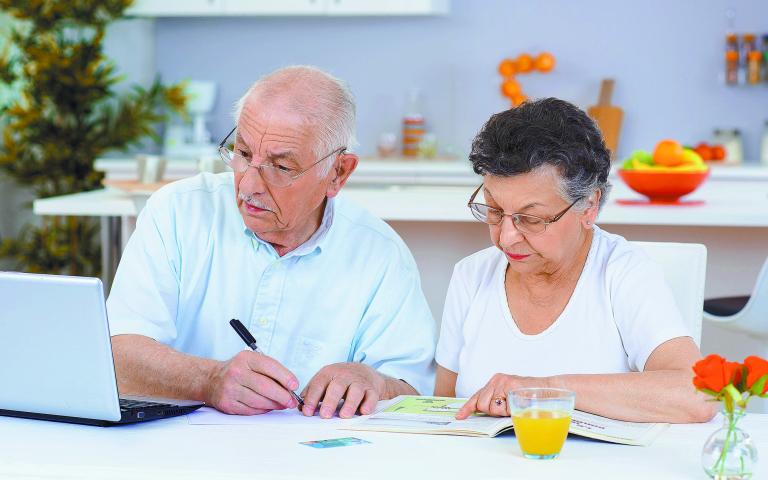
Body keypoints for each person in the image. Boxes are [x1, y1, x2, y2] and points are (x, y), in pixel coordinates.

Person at [107, 66, 436, 419]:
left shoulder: (380, 253)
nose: (248, 185)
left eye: (280, 167)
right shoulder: (178, 211)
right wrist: (208, 379)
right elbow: (118, 354)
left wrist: (374, 380)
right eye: (244, 154)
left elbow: (415, 390)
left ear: (338, 173)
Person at [434, 98, 715, 423]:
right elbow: (442, 409)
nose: (506, 236)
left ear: (589, 206)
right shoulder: (471, 275)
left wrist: (546, 392)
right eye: (494, 210)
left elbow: (697, 395)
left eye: (531, 218)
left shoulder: (623, 273)